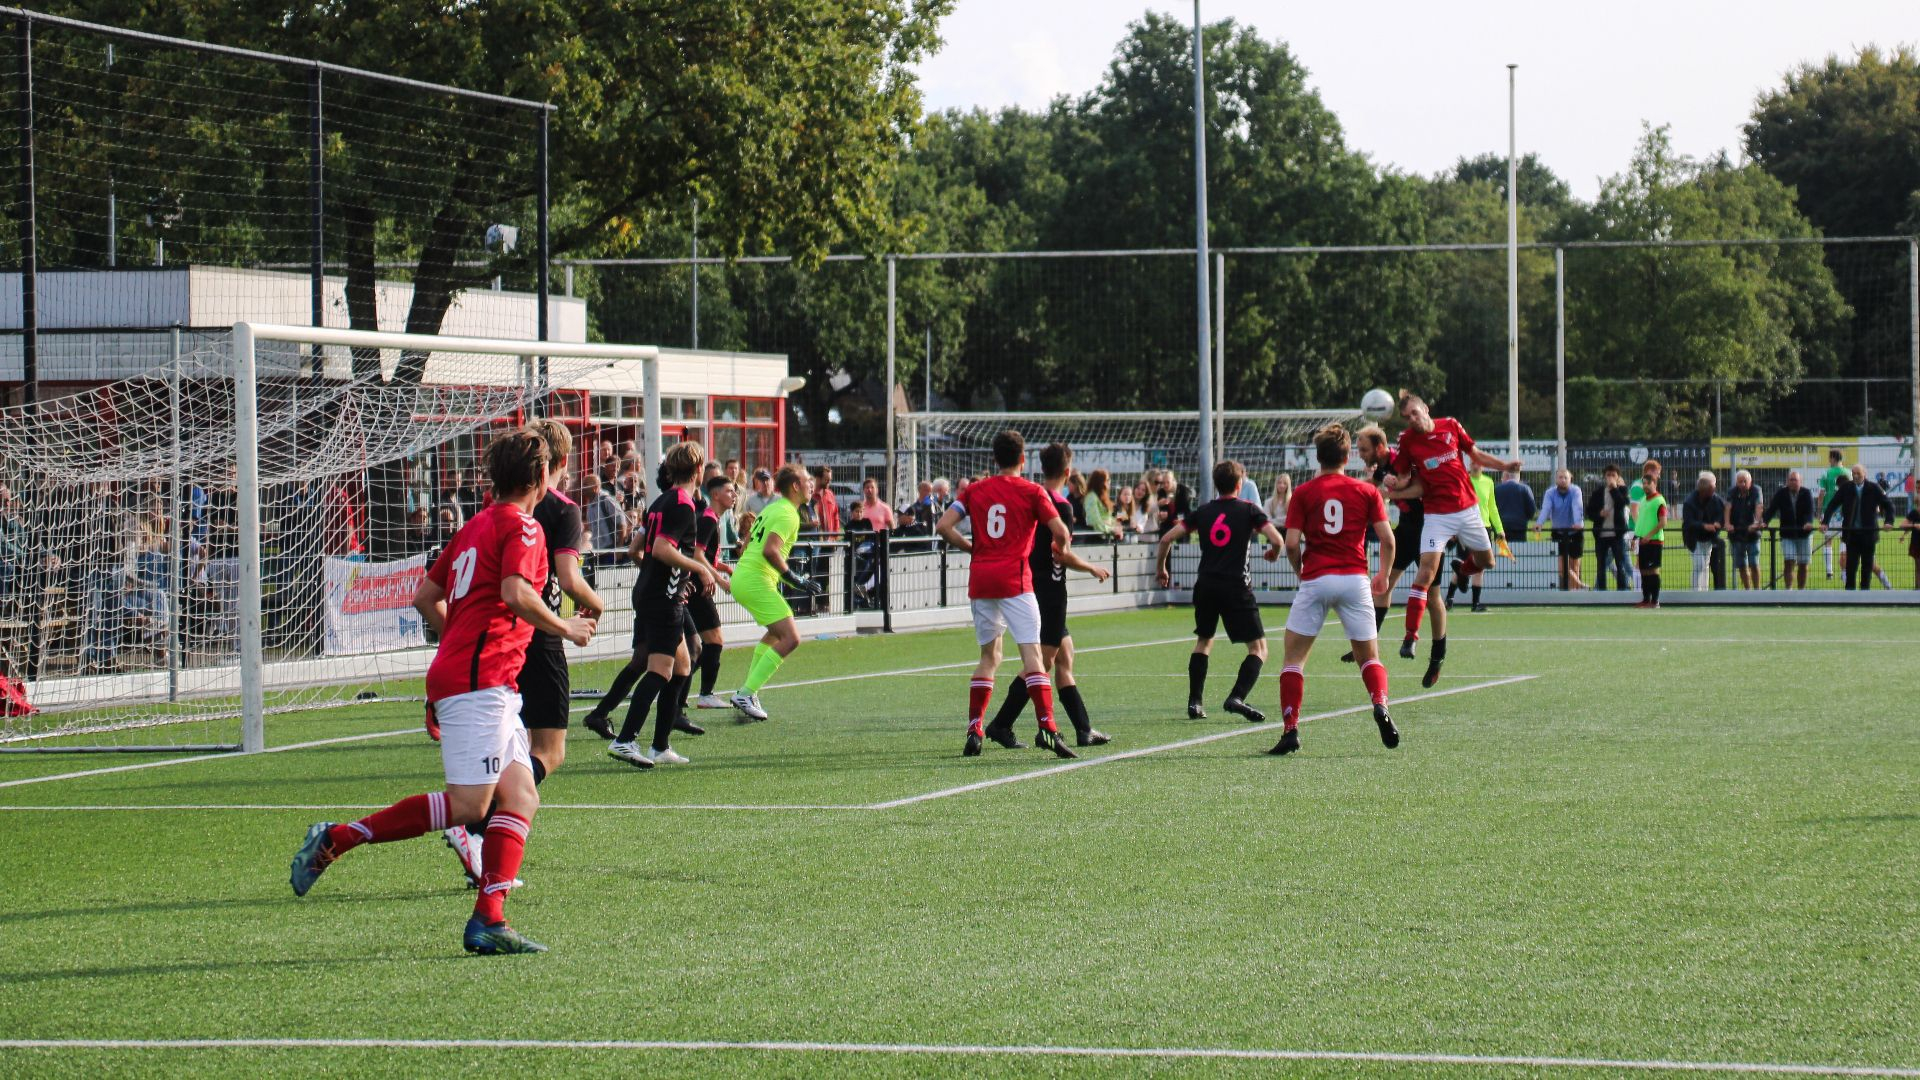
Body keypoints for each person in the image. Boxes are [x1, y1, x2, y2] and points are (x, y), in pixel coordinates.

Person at [289, 429, 596, 955]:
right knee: (470, 805)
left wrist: (459, 647)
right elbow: (516, 592)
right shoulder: (524, 527)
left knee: (521, 795)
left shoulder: (475, 525)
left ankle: (489, 919)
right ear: (542, 477)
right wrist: (564, 626)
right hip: (481, 681)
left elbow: (426, 597)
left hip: (484, 679)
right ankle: (338, 838)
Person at [444, 418, 609, 886]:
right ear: (559, 462)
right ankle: (476, 827)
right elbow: (565, 579)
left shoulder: (491, 511)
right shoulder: (558, 510)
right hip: (538, 634)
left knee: (512, 748)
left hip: (495, 640)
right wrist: (593, 607)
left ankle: (483, 846)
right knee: (549, 752)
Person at [937, 430, 1079, 759]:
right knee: (1033, 656)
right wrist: (1061, 548)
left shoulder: (975, 490)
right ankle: (1048, 728)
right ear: (1023, 459)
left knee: (989, 658)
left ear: (995, 459)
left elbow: (943, 526)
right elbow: (1060, 531)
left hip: (982, 579)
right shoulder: (1032, 491)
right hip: (1015, 580)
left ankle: (975, 729)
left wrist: (972, 548)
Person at [1270, 424, 1400, 756]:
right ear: (1348, 456)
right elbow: (1388, 539)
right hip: (1355, 579)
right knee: (1369, 657)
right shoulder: (1366, 491)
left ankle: (1290, 730)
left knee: (1293, 659)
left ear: (1318, 457)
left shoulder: (1304, 493)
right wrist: (1384, 575)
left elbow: (1291, 543)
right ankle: (1380, 705)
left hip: (1317, 578)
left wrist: (1300, 571)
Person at [981, 444, 1113, 750]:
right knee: (1041, 662)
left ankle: (1084, 729)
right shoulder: (1060, 506)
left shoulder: (1031, 496)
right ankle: (1002, 724)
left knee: (1064, 656)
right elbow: (1060, 553)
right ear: (1068, 471)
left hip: (1029, 584)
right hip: (1050, 591)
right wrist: (1091, 567)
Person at [1390, 390, 1521, 688]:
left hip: (1467, 510)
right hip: (1436, 516)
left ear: (1425, 408)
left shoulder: (1450, 425)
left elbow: (1475, 455)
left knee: (1487, 561)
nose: (1412, 420)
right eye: (1407, 417)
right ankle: (1411, 637)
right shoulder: (1408, 441)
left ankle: (1462, 571)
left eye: (1415, 413)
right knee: (1425, 575)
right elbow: (1407, 478)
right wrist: (1393, 483)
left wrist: (1504, 466)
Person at [602, 443, 716, 768]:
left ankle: (660, 746)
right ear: (699, 470)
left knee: (682, 666)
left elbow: (635, 549)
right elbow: (663, 549)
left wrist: (667, 576)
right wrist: (700, 569)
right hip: (662, 600)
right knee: (661, 670)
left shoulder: (660, 501)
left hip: (655, 593)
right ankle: (624, 740)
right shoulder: (682, 504)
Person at [1155, 460, 1286, 723]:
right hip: (1236, 586)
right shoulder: (1249, 509)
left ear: (1216, 485)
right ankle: (1236, 697)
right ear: (1240, 484)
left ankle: (1195, 702)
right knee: (1259, 648)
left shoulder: (1203, 511)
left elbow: (1166, 538)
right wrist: (1274, 553)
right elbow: (1277, 539)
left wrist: (1161, 569)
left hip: (1206, 585)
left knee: (1204, 641)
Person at [727, 464, 824, 722]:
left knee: (775, 634)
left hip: (746, 577)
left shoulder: (773, 508)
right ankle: (746, 693)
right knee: (791, 638)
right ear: (795, 486)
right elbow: (770, 550)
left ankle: (749, 692)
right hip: (755, 580)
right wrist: (796, 579)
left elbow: (746, 544)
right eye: (807, 480)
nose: (811, 484)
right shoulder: (788, 513)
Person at [1345, 426, 1420, 662]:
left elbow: (1413, 483)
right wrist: (1342, 485)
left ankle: (1414, 640)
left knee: (1430, 591)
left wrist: (1396, 486)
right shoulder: (1383, 466)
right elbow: (1371, 483)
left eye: (1364, 450)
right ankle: (1367, 643)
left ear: (1379, 448)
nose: (1361, 455)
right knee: (1382, 586)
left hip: (1428, 526)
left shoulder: (1402, 461)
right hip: (1407, 527)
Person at [1823, 464, 1895, 590]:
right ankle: (1850, 594)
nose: (1855, 476)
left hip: (1869, 535)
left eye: (1858, 473)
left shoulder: (1873, 488)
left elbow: (1889, 505)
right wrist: (1825, 522)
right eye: (1853, 473)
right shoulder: (1846, 488)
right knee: (1851, 567)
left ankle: (1865, 594)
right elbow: (1832, 504)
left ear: (1864, 474)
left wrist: (1889, 521)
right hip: (1851, 535)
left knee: (1867, 568)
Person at [1445, 462, 1504, 612]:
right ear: (1469, 465)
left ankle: (1475, 604)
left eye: (1478, 462)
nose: (1476, 465)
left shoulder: (1488, 482)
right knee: (1463, 564)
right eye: (1473, 462)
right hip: (1467, 527)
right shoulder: (1463, 480)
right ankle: (1449, 598)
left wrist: (1499, 529)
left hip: (1485, 528)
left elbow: (1492, 507)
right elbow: (1455, 504)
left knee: (1480, 566)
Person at [1536, 468, 1586, 591]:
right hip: (1558, 532)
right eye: (1560, 477)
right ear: (1556, 479)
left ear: (1570, 479)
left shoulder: (1576, 491)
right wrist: (1539, 523)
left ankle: (1574, 593)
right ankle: (1579, 584)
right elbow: (1546, 508)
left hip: (1575, 531)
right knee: (1561, 567)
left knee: (1575, 565)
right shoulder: (1550, 493)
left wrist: (1578, 522)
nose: (1563, 480)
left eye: (1565, 478)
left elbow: (1577, 506)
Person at [1766, 470, 1816, 590]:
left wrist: (1808, 522)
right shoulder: (1781, 493)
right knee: (1789, 561)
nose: (1793, 482)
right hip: (1787, 534)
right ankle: (1788, 590)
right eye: (1791, 480)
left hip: (1804, 534)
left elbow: (1810, 511)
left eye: (1795, 480)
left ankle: (1801, 591)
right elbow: (1772, 509)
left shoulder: (1806, 493)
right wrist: (1764, 521)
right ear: (1787, 481)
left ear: (1800, 482)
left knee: (1803, 564)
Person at [1586, 465, 1631, 592]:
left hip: (1617, 534)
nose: (1610, 477)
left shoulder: (1622, 490)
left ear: (1618, 477)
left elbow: (1622, 503)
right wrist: (1599, 514)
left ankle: (1623, 591)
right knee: (1601, 565)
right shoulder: (1598, 492)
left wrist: (1614, 489)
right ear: (1604, 477)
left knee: (1620, 564)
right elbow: (1589, 511)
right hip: (1601, 535)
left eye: (1613, 475)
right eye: (1608, 475)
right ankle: (1601, 592)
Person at [1682, 471, 1728, 591]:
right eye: (1711, 489)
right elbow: (1689, 522)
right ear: (1703, 490)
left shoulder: (1716, 500)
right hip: (1693, 538)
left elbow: (1723, 514)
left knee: (1705, 565)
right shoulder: (1689, 502)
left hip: (1709, 537)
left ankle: (1704, 591)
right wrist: (1704, 526)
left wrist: (1718, 523)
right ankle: (1696, 591)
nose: (1714, 490)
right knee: (1699, 564)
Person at [1632, 470, 1669, 608]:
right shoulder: (1643, 500)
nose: (1645, 486)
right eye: (1644, 483)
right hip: (1643, 541)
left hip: (1654, 541)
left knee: (1653, 571)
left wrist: (1649, 535)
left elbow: (1663, 522)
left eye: (1648, 483)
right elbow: (1641, 521)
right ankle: (1646, 599)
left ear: (1655, 484)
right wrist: (1636, 536)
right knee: (1643, 570)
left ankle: (1655, 601)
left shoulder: (1659, 500)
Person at [1726, 470, 1764, 590]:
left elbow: (1759, 506)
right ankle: (1747, 591)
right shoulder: (1732, 492)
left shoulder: (1756, 490)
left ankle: (1757, 591)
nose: (1742, 484)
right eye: (1740, 481)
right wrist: (1727, 523)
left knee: (1754, 563)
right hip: (1736, 534)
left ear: (1750, 481)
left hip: (1753, 534)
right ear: (1736, 482)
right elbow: (1727, 507)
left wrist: (1756, 523)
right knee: (1741, 565)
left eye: (1745, 481)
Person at [581, 473, 626, 565]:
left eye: (585, 485)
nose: (582, 488)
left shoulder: (606, 500)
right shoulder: (590, 505)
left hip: (611, 551)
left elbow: (622, 523)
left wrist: (619, 548)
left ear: (595, 487)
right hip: (598, 552)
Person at [1820, 449, 1849, 580]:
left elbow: (1822, 493)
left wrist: (1819, 511)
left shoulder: (1826, 473)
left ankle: (1829, 572)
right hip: (1844, 512)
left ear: (1832, 458)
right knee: (1844, 540)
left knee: (1828, 540)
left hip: (1829, 512)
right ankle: (1844, 572)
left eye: (1829, 458)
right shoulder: (1849, 473)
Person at [1493, 465, 1537, 543]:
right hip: (1519, 526)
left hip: (1500, 526)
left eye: (1502, 477)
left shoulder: (1496, 489)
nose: (1501, 479)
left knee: (1501, 549)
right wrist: (1525, 518)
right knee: (1519, 549)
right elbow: (1532, 510)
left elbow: (1492, 508)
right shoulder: (1525, 489)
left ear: (1506, 476)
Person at [1084, 469, 1119, 538]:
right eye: (1107, 480)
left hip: (1107, 536)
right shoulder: (1091, 497)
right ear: (1100, 482)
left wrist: (1114, 527)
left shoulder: (1103, 496)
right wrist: (1111, 529)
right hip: (1096, 538)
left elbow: (1111, 518)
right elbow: (1095, 521)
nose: (1109, 482)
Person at [810, 466, 841, 537]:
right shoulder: (809, 495)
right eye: (826, 479)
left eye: (830, 480)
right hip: (815, 538)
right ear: (817, 479)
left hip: (830, 539)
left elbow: (835, 515)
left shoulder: (830, 494)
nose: (829, 482)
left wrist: (835, 535)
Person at [1902, 501, 1920, 587]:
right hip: (1916, 544)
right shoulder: (1914, 513)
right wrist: (1914, 525)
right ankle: (1917, 588)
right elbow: (1902, 525)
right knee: (1918, 567)